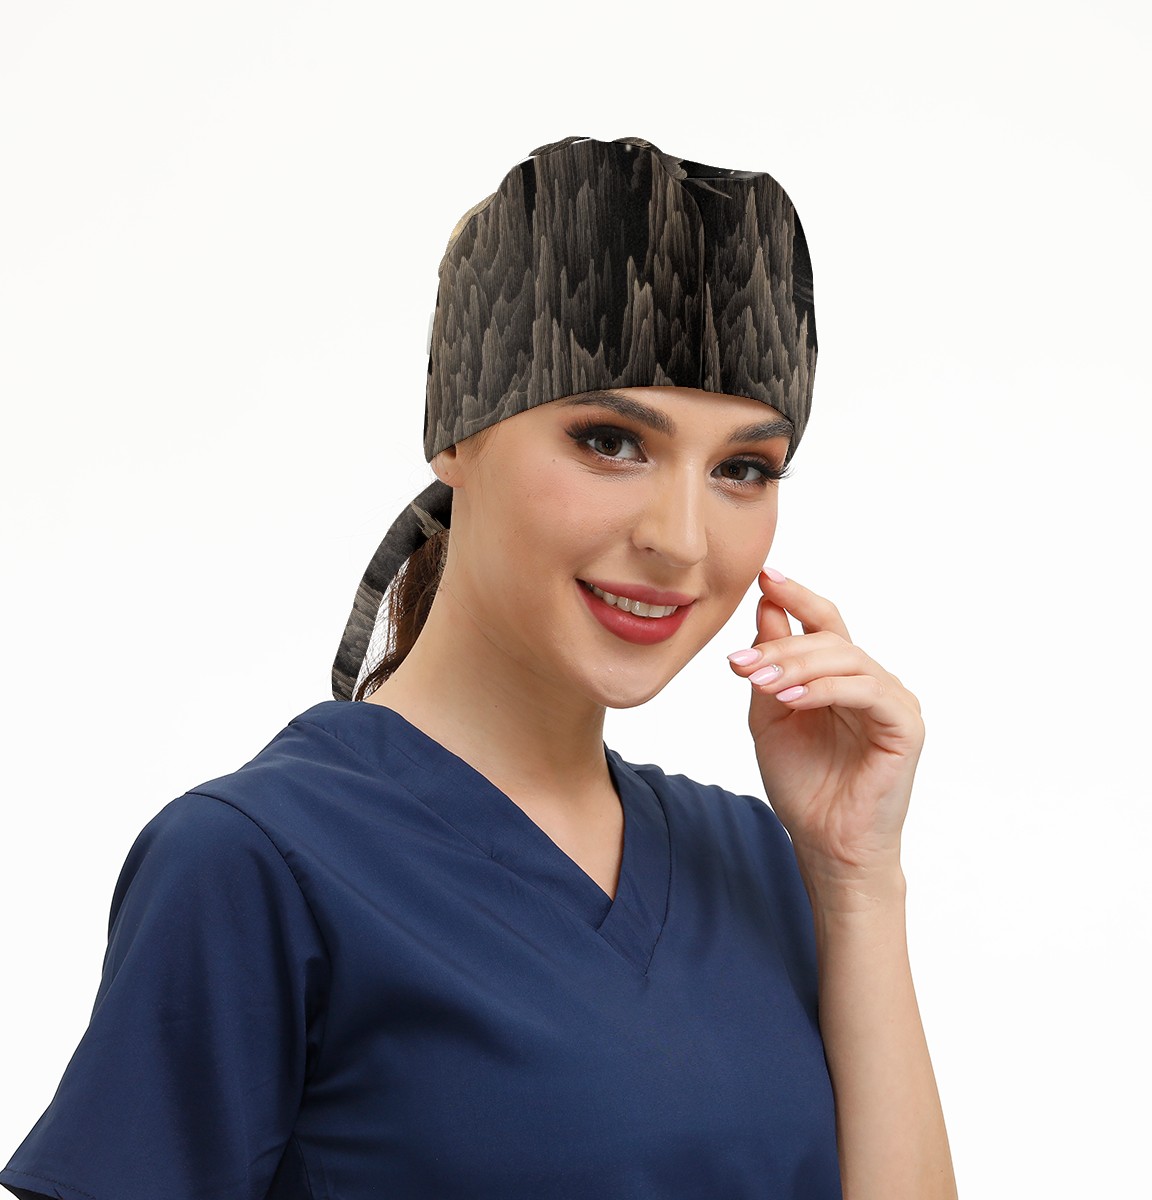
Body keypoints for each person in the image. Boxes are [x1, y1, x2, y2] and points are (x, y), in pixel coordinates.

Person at [1, 135, 956, 1199]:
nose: (682, 540)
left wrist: (856, 878)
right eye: (610, 441)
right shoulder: (254, 864)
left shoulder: (751, 859)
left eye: (742, 468)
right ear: (457, 434)